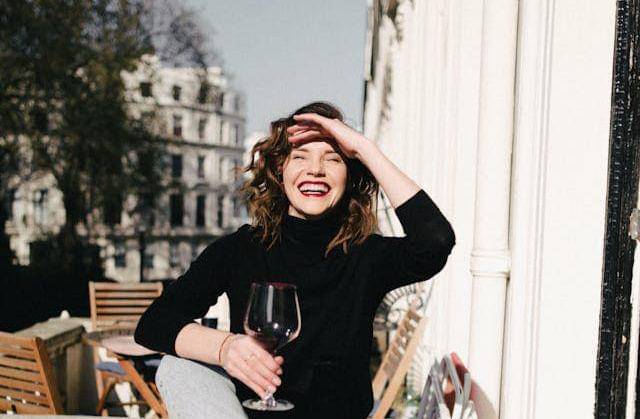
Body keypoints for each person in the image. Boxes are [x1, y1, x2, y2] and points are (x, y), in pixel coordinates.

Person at [134, 101, 455, 419]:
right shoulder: (241, 249)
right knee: (177, 368)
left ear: (350, 174)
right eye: (300, 156)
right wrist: (226, 348)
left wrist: (364, 149)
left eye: (333, 158)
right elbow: (153, 323)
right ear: (280, 171)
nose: (316, 169)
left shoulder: (365, 255)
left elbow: (435, 242)